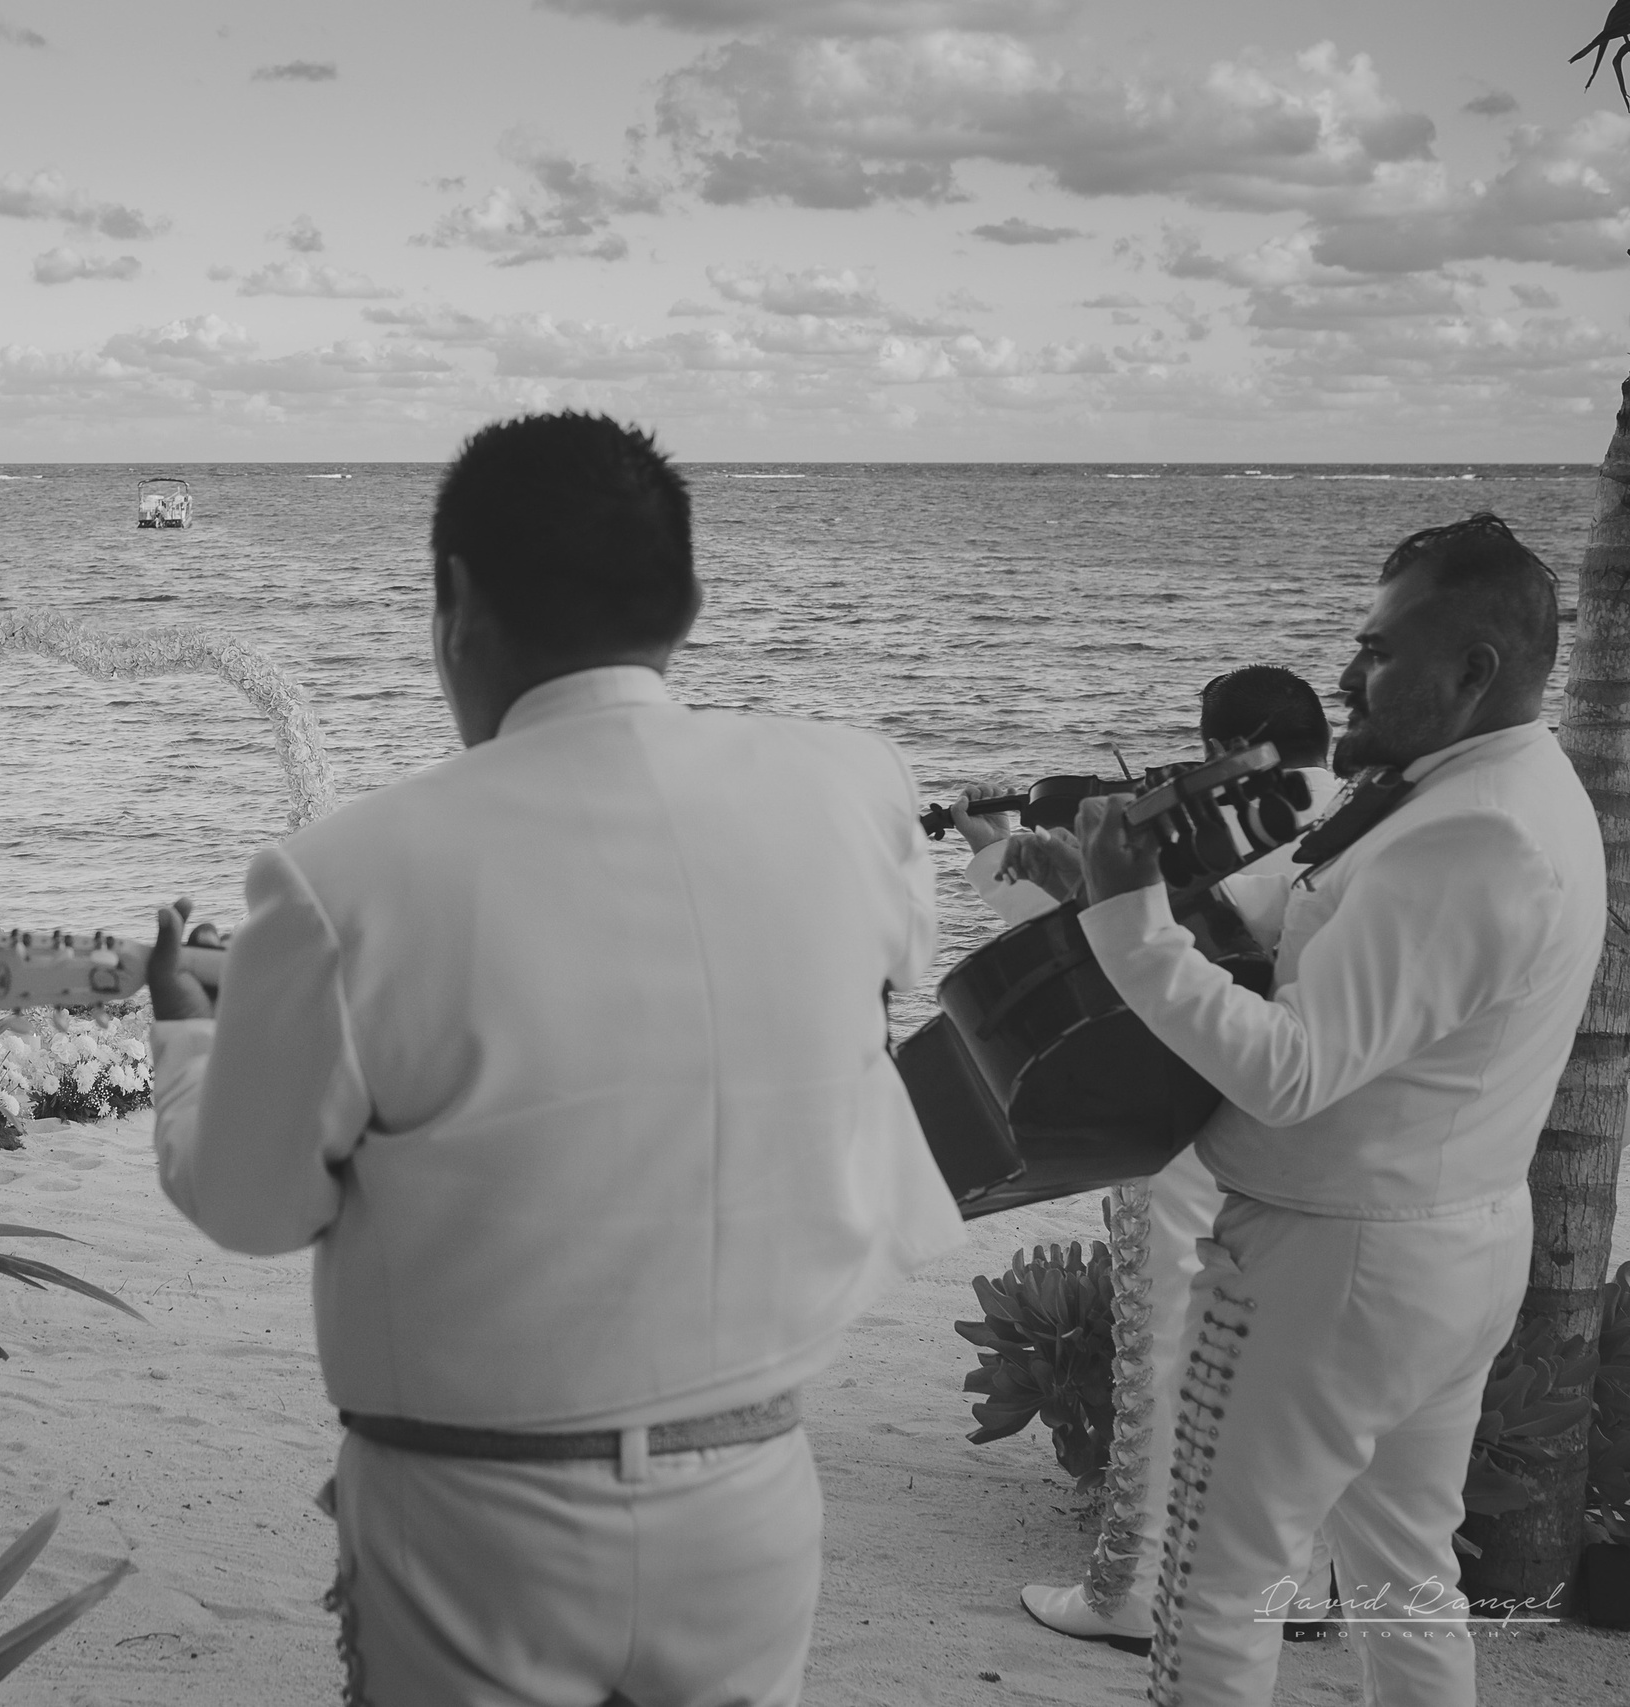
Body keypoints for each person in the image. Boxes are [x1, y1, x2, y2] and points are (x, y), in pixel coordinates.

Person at [142, 411, 964, 1707]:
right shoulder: (855, 788)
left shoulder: (343, 878)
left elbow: (252, 1204)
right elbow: (864, 971)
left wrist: (194, 1037)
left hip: (476, 1520)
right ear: (687, 599)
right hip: (751, 1495)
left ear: (456, 604)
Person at [1072, 514, 1600, 1707]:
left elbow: (1291, 1071)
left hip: (1333, 1267)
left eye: (1378, 650)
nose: (1349, 674)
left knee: (1213, 1594)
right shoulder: (1496, 785)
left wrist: (1128, 924)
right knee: (1406, 1579)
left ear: (1471, 670)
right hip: (1439, 1244)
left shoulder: (1472, 830)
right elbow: (1327, 938)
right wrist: (1136, 897)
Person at [943, 667, 1345, 1656]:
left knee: (1166, 1349)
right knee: (1290, 1370)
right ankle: (1297, 1583)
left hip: (1193, 1121)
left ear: (1229, 750)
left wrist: (1002, 853)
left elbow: (1122, 957)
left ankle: (1134, 1589)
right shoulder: (1358, 820)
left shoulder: (1250, 834)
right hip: (1318, 1141)